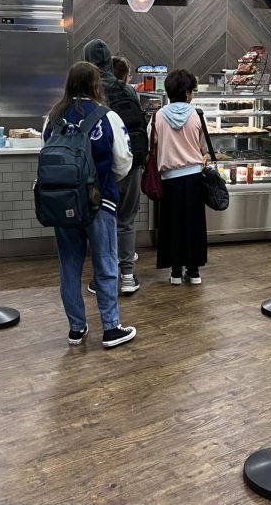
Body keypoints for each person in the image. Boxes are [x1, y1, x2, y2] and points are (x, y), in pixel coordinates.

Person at [43, 62, 136, 347]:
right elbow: (123, 161)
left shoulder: (53, 116)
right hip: (100, 202)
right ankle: (110, 328)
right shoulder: (107, 116)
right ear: (96, 85)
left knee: (68, 266)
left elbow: (46, 154)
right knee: (105, 263)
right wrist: (103, 180)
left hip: (62, 203)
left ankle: (76, 328)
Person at [82, 41, 148, 295]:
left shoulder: (91, 91)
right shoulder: (127, 89)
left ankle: (102, 280)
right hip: (131, 164)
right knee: (127, 220)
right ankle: (128, 276)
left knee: (101, 221)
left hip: (101, 167)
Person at [152, 68, 208, 283]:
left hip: (168, 178)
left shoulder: (158, 116)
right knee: (193, 224)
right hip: (193, 176)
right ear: (186, 93)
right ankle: (193, 272)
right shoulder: (196, 115)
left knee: (171, 224)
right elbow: (203, 148)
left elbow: (153, 144)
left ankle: (175, 271)